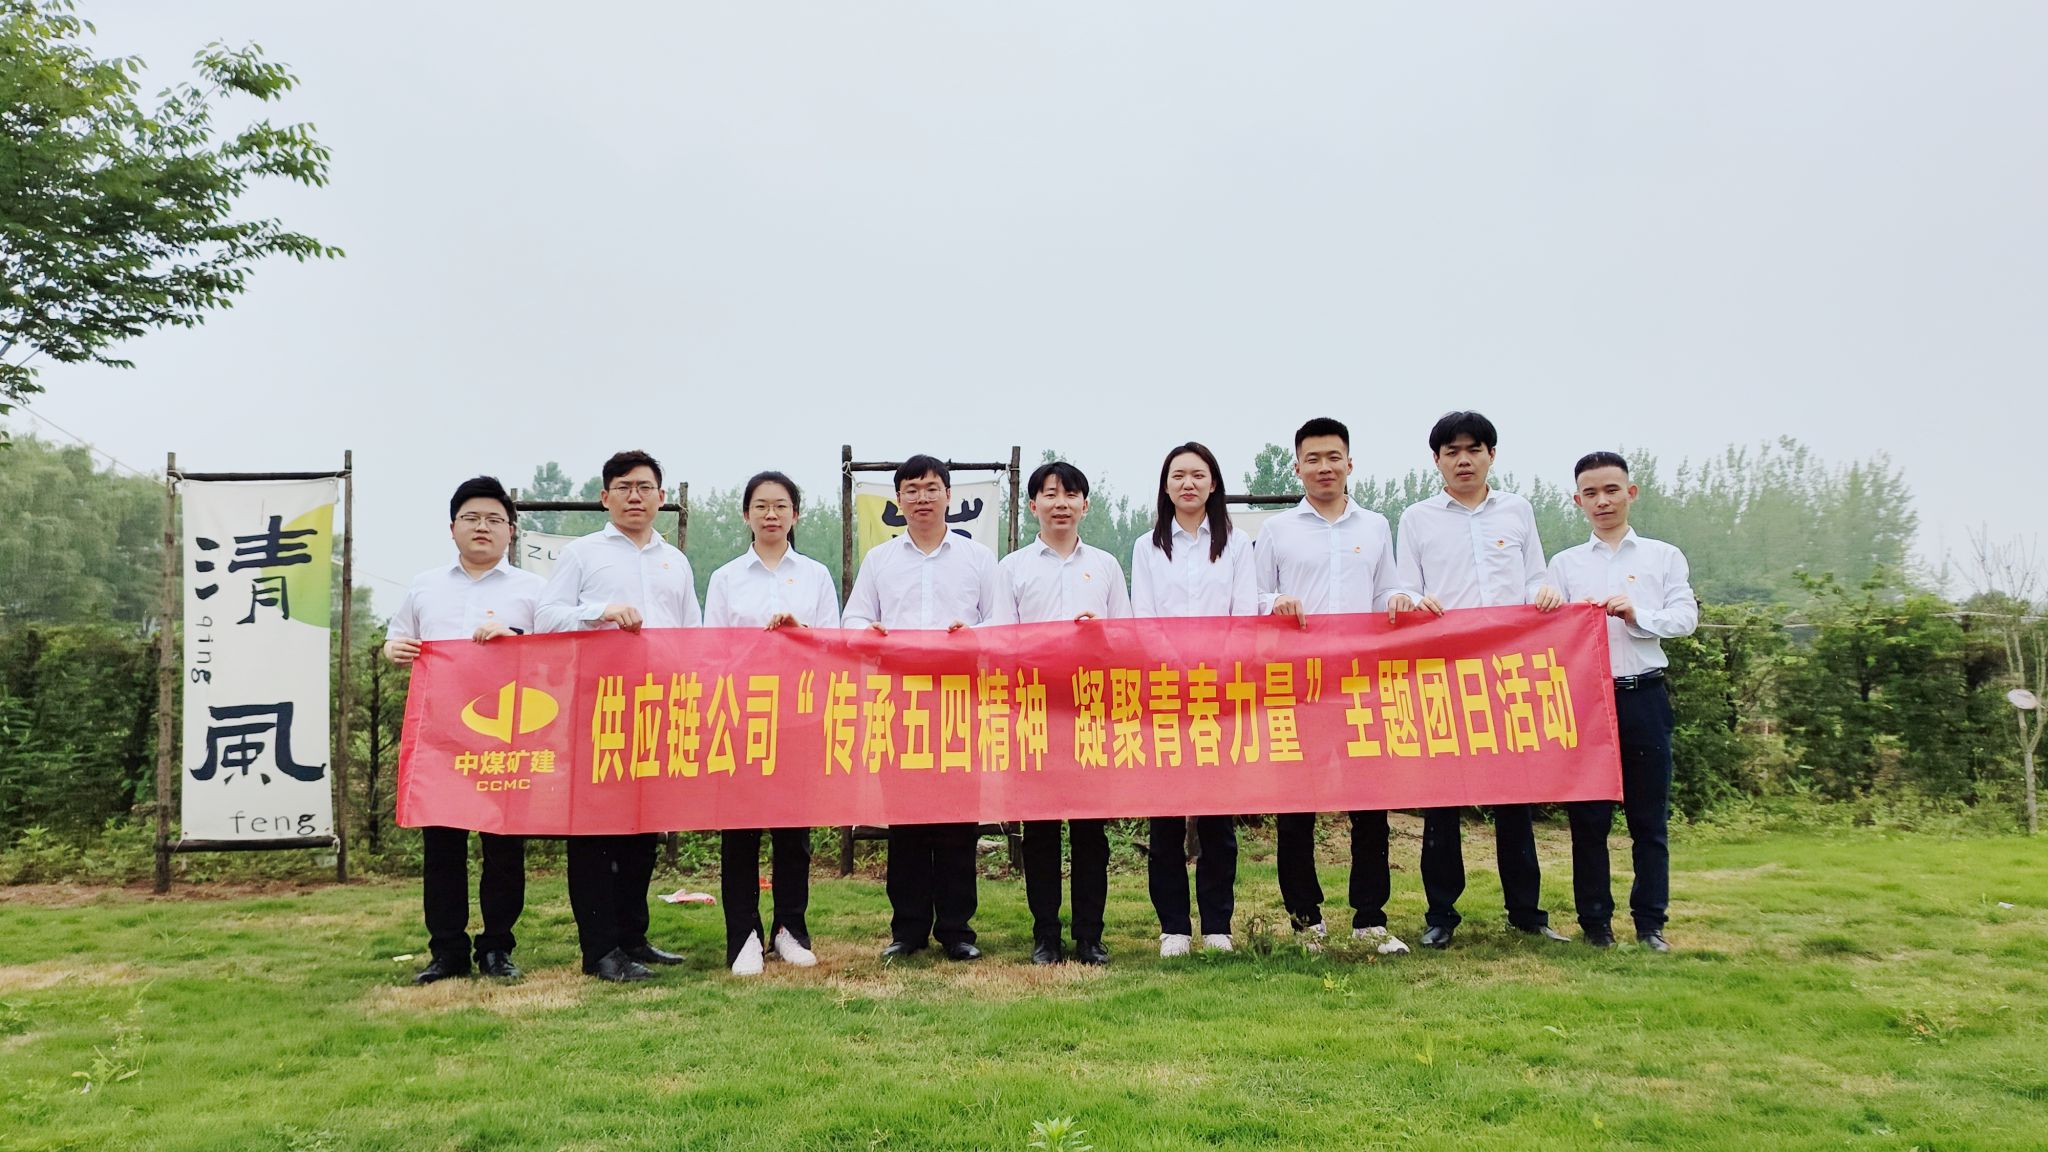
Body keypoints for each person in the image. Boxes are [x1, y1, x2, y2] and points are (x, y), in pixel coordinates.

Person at [1388, 411, 1569, 948]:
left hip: (1508, 672)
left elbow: (1534, 575)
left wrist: (1544, 592)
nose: (1463, 460)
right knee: (1443, 799)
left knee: (1515, 798)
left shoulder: (1517, 510)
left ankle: (1527, 913)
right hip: (1445, 673)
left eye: (1473, 449)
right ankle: (1441, 914)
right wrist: (1415, 601)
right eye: (1452, 452)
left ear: (1492, 454)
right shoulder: (1417, 518)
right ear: (1437, 460)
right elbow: (1404, 587)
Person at [536, 449, 700, 982]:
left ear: (661, 497)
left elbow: (692, 635)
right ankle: (599, 949)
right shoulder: (582, 554)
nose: (635, 496)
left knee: (642, 830)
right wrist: (599, 612)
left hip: (657, 708)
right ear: (605, 497)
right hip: (596, 709)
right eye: (624, 487)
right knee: (594, 831)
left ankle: (633, 937)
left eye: (645, 487)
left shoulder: (676, 561)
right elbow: (545, 618)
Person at [842, 455, 1013, 961]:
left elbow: (1002, 622)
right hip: (900, 702)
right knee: (906, 819)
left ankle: (958, 930)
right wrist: (869, 632)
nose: (922, 497)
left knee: (959, 819)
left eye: (931, 488)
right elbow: (853, 619)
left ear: (949, 496)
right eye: (912, 489)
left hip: (959, 700)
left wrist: (972, 634)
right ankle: (909, 930)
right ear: (898, 499)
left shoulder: (978, 558)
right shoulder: (880, 560)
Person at [1253, 417, 1409, 955]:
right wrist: (1274, 603)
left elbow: (1387, 590)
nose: (1324, 467)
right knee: (1297, 804)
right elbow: (1253, 597)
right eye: (1313, 459)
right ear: (1297, 467)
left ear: (1349, 463)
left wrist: (1398, 600)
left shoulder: (1375, 526)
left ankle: (1370, 918)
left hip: (1361, 684)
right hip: (1299, 685)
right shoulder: (1277, 531)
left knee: (1370, 803)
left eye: (1333, 457)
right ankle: (1306, 921)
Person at [384, 476, 542, 984]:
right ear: (452, 527)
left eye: (495, 519)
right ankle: (447, 950)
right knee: (443, 849)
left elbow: (556, 653)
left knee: (504, 848)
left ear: (511, 531)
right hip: (442, 739)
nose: (482, 527)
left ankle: (497, 947)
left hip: (507, 737)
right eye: (471, 518)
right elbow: (397, 638)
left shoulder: (533, 590)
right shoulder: (425, 585)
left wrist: (515, 637)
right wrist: (393, 649)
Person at [1546, 451, 1698, 952]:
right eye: (1591, 493)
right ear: (1578, 501)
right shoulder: (1564, 565)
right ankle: (1595, 924)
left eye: (1611, 490)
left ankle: (1651, 923)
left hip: (1644, 697)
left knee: (1648, 821)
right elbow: (1549, 631)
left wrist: (1638, 615)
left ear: (1631, 492)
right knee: (1588, 820)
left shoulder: (1663, 556)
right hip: (1586, 703)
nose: (1603, 501)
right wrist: (1547, 606)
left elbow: (1685, 618)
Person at [702, 471, 839, 977]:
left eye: (781, 506)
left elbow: (833, 644)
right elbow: (710, 650)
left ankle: (790, 930)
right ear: (746, 515)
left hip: (798, 716)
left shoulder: (815, 576)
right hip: (741, 717)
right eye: (761, 506)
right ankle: (744, 935)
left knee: (792, 832)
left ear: (795, 514)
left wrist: (800, 632)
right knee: (740, 832)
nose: (771, 514)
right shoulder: (726, 578)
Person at [999, 461, 1131, 965]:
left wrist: (1102, 632)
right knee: (1041, 829)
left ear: (1085, 505)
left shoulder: (1106, 566)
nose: (1061, 503)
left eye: (1070, 494)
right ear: (1032, 504)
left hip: (1090, 709)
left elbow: (1127, 636)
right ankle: (1045, 935)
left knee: (1090, 830)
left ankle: (1090, 935)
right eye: (1050, 494)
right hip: (1034, 710)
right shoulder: (1012, 568)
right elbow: (1001, 638)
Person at [1130, 442, 1256, 958]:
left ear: (1213, 483)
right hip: (1164, 692)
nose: (1188, 483)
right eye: (1178, 475)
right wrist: (1176, 670)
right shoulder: (1147, 546)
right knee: (1165, 815)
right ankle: (1174, 928)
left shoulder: (1236, 544)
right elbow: (1143, 618)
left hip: (1219, 693)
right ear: (1165, 486)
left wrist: (1214, 670)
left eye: (1198, 475)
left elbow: (1243, 616)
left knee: (1217, 817)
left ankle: (1218, 925)